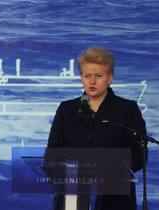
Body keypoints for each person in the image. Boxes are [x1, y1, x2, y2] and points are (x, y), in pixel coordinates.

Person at [45, 47, 147, 210]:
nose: (92, 82)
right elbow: (51, 156)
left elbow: (139, 155)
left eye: (98, 76)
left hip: (115, 197)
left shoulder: (127, 109)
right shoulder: (67, 109)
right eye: (87, 76)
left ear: (109, 78)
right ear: (81, 78)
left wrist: (110, 172)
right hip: (72, 196)